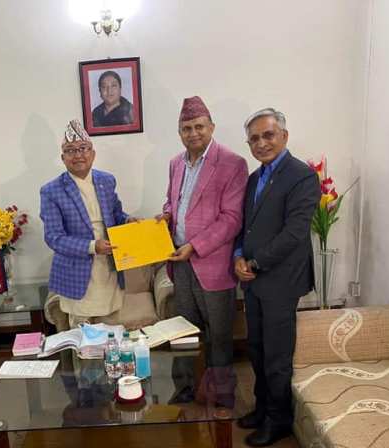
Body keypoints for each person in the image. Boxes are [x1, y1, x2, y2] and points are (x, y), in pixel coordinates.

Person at [233, 108, 320, 447]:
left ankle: (279, 419)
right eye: (254, 139)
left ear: (284, 136)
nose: (261, 143)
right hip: (253, 278)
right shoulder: (254, 178)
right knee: (256, 348)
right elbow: (246, 226)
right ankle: (262, 408)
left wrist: (255, 263)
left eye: (268, 135)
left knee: (277, 356)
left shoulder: (302, 176)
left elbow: (294, 233)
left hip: (281, 280)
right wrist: (238, 256)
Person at [156, 96, 248, 401]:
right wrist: (166, 215)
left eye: (199, 126)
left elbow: (232, 219)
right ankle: (185, 389)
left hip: (213, 265)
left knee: (218, 335)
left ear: (212, 127)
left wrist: (194, 246)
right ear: (179, 132)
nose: (193, 133)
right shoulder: (175, 164)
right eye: (186, 128)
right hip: (180, 263)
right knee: (184, 331)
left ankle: (222, 395)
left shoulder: (233, 163)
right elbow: (173, 202)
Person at [40, 119, 135, 327]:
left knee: (113, 331)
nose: (78, 155)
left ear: (92, 153)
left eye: (83, 148)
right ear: (63, 157)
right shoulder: (51, 191)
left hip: (109, 267)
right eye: (70, 150)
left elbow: (116, 214)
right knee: (83, 337)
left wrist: (128, 220)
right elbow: (54, 237)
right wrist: (92, 246)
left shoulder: (106, 180)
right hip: (76, 273)